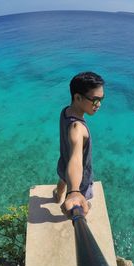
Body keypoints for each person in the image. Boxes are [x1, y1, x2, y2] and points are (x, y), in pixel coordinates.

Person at [55, 71, 105, 217]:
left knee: (63, 180)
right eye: (95, 100)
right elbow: (76, 158)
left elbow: (71, 156)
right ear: (77, 97)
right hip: (79, 177)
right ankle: (71, 203)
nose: (99, 104)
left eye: (102, 99)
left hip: (64, 164)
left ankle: (58, 195)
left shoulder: (65, 111)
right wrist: (75, 191)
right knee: (82, 205)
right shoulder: (78, 128)